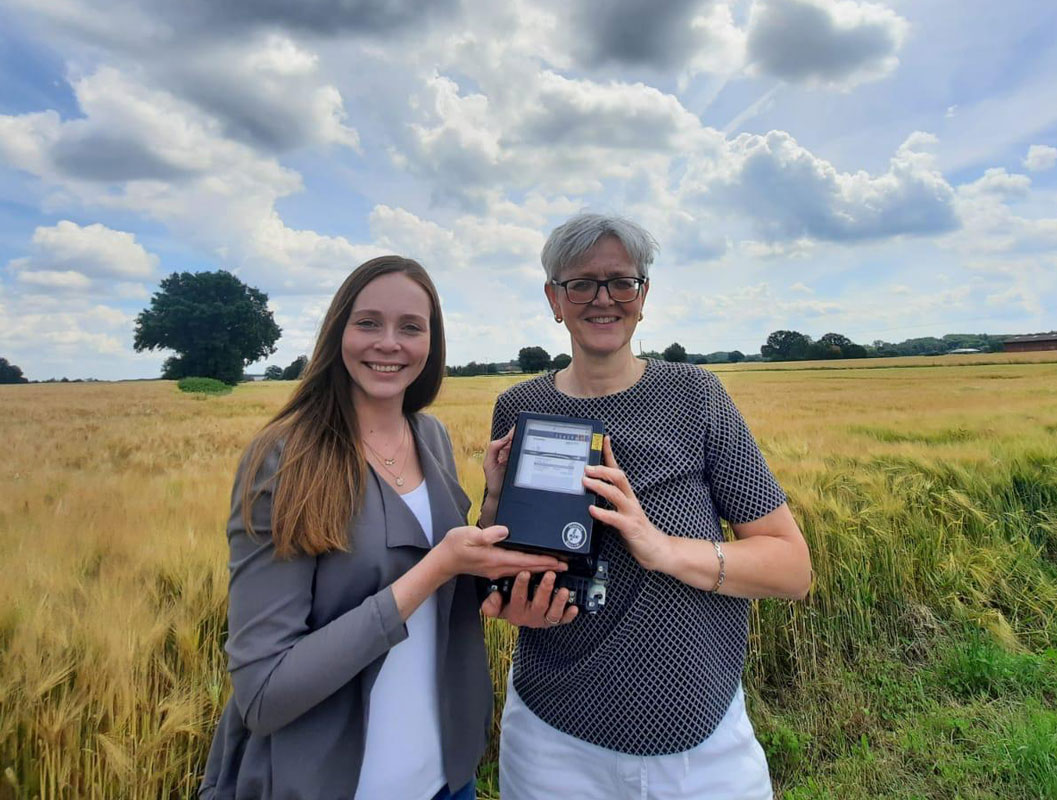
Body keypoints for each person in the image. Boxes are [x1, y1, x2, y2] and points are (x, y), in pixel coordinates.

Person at [200, 256, 568, 800]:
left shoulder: (431, 437)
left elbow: (447, 592)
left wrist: (492, 504)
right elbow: (263, 694)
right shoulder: (286, 459)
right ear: (338, 332)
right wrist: (436, 566)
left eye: (411, 327)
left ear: (431, 342)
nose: (389, 343)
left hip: (445, 779)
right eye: (368, 322)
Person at [479, 214, 812, 799]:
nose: (602, 299)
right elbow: (503, 554)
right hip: (552, 739)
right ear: (554, 299)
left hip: (703, 743)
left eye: (620, 282)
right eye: (580, 283)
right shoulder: (519, 406)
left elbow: (791, 568)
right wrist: (495, 529)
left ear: (643, 296)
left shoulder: (695, 395)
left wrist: (661, 548)